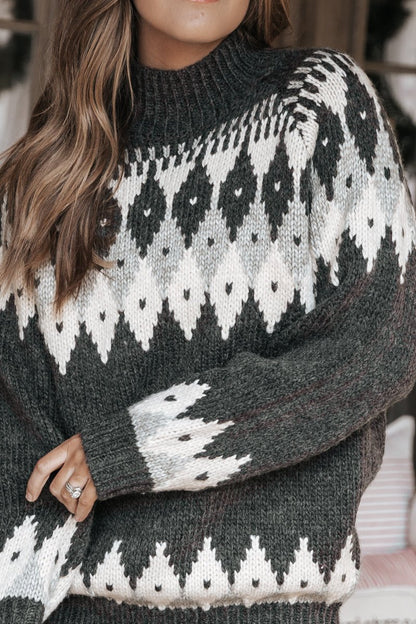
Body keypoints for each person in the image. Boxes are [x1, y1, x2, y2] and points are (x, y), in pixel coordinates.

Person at [1, 0, 416, 622]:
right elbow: (19, 463)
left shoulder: (316, 107)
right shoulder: (43, 178)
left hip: (269, 605)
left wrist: (136, 448)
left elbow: (379, 347)